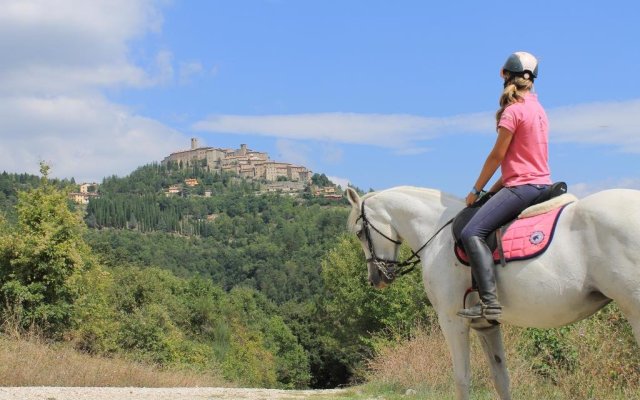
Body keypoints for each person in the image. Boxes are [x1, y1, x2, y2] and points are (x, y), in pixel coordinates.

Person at [457, 51, 552, 320]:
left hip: (522, 188)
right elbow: (521, 161)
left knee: (471, 232)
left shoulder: (513, 111)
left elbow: (497, 156)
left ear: (506, 76)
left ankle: (489, 302)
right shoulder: (539, 110)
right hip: (541, 184)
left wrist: (476, 190)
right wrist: (493, 191)